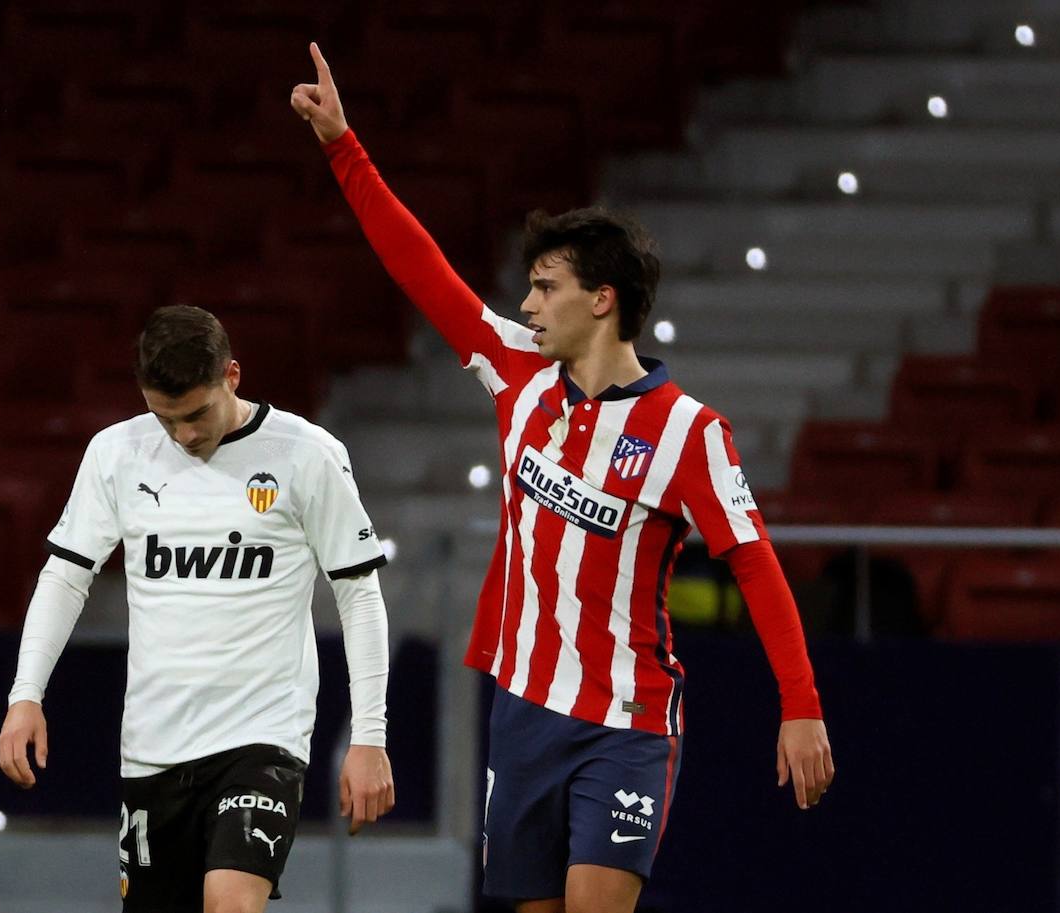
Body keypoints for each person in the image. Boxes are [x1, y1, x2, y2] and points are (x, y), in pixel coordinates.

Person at [291, 44, 834, 913]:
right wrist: (342, 146)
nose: (529, 305)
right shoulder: (516, 373)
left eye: (546, 287)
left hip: (625, 722)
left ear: (603, 298)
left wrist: (799, 704)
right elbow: (419, 268)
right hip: (522, 710)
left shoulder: (688, 431)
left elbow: (756, 562)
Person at [0, 305, 396, 913]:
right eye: (165, 418)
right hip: (152, 744)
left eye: (196, 414)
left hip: (263, 736)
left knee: (231, 904)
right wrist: (26, 694)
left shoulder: (306, 454)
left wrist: (369, 734)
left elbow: (359, 593)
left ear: (232, 375)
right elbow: (66, 576)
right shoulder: (116, 454)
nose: (183, 435)